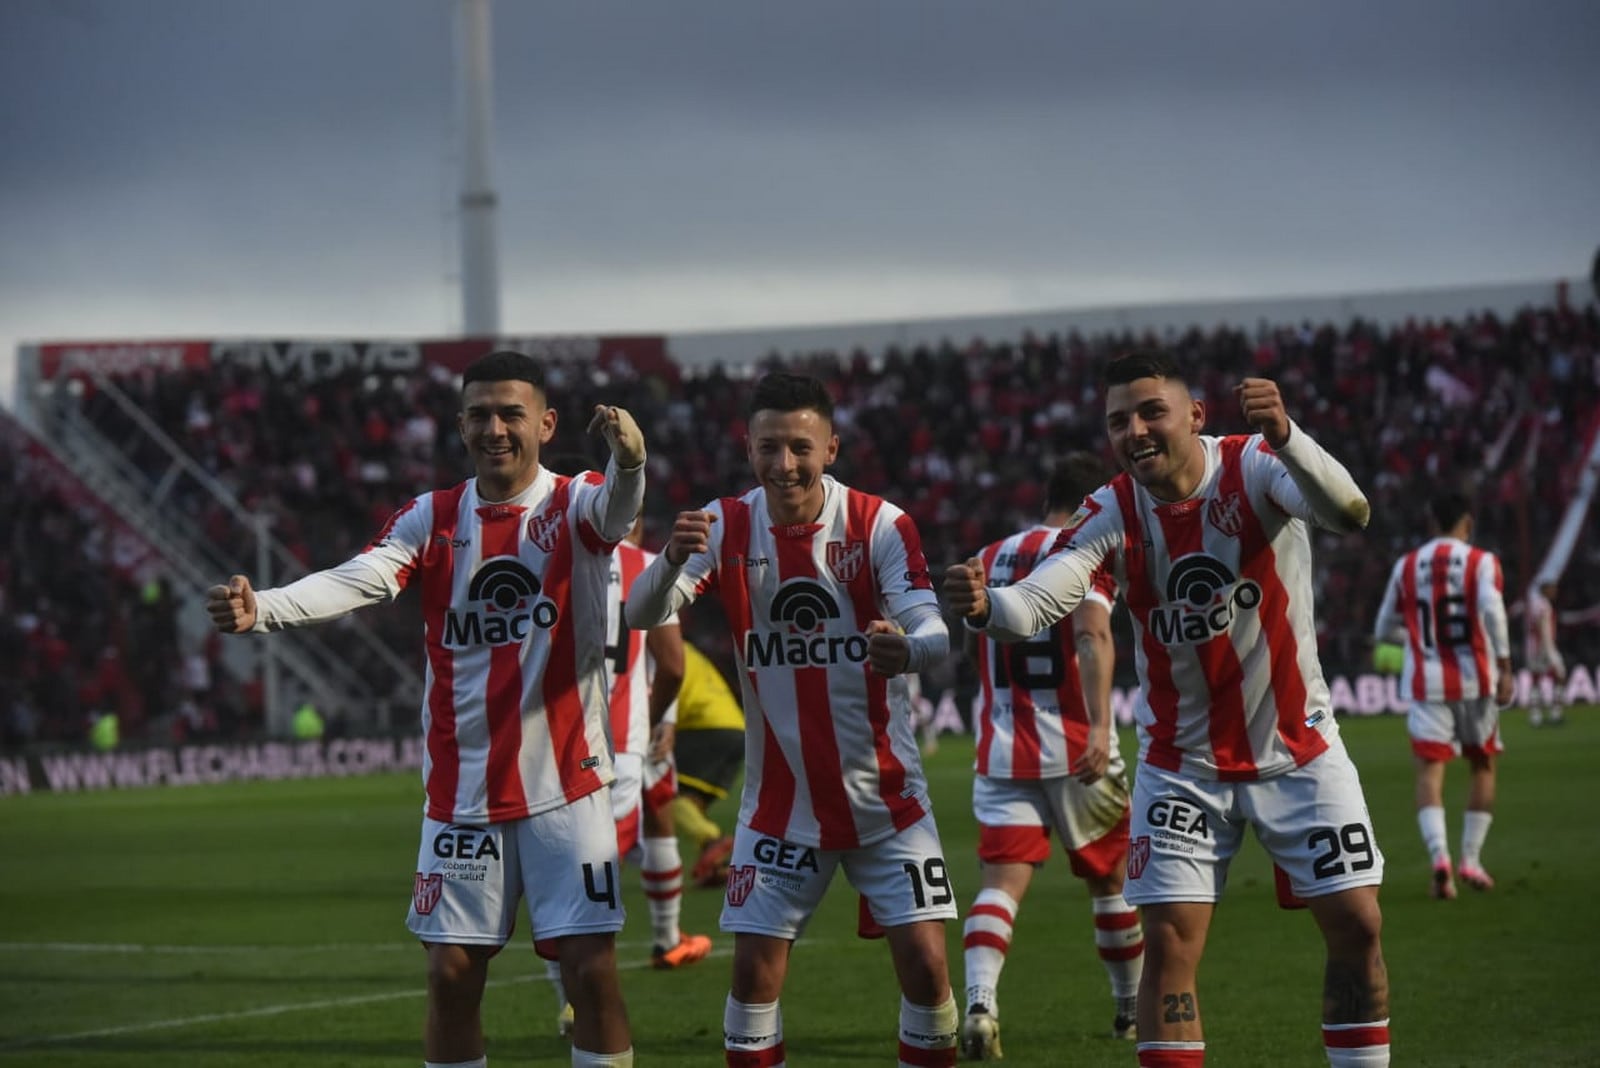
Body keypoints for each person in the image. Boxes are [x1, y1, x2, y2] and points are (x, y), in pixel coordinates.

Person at [945, 350, 1391, 1068]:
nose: (1136, 430)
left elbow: (1349, 511)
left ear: (1195, 415)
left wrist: (1287, 434)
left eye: (1152, 411)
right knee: (1171, 946)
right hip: (1182, 767)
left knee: (1358, 924)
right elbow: (1040, 601)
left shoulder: (1255, 466)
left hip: (1298, 746)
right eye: (1119, 420)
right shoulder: (1110, 508)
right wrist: (984, 606)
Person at [205, 350, 644, 1068]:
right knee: (450, 976)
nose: (494, 428)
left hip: (567, 786)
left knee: (591, 972)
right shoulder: (433, 518)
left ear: (545, 422)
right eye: (479, 414)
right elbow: (359, 579)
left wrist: (630, 463)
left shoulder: (576, 501)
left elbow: (619, 510)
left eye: (510, 413)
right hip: (463, 794)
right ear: (460, 424)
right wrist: (267, 609)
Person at [626, 371, 961, 1067]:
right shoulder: (723, 526)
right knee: (752, 976)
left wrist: (908, 649)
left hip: (887, 801)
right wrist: (666, 562)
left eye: (800, 447)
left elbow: (934, 630)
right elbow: (641, 614)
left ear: (831, 448)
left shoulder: (881, 524)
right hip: (780, 807)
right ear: (748, 449)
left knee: (928, 967)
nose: (785, 465)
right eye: (769, 448)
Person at [957, 452, 1145, 1060]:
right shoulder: (1085, 550)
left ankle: (981, 1004)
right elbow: (1091, 634)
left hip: (1003, 748)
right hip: (1074, 748)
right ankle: (1127, 1010)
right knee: (1112, 882)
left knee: (999, 888)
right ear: (1095, 501)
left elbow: (974, 644)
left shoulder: (986, 558)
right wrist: (1097, 728)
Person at [550, 517, 714, 1037]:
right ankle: (589, 995)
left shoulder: (554, 563)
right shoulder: (646, 565)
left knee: (563, 873)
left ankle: (575, 994)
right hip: (624, 740)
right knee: (595, 878)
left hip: (555, 744)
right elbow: (672, 665)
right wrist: (656, 714)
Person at [1373, 493, 1513, 899]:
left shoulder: (1407, 565)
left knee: (1429, 773)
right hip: (1477, 680)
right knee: (1482, 766)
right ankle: (1471, 858)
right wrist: (1504, 663)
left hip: (1427, 683)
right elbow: (1491, 607)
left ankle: (1440, 860)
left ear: (1431, 521)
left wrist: (1416, 637)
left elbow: (1384, 630)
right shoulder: (1481, 562)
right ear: (1467, 523)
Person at [667, 641, 748, 888]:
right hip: (734, 726)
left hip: (705, 726)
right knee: (690, 802)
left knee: (661, 796)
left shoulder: (657, 648)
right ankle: (720, 866)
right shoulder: (682, 646)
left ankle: (711, 840)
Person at [1524, 579, 1567, 727]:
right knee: (1560, 675)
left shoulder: (1534, 604)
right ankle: (1555, 713)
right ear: (1545, 590)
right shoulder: (1544, 605)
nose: (1555, 591)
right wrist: (1549, 651)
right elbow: (1542, 628)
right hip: (1543, 647)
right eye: (1552, 589)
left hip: (1532, 647)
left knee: (1536, 679)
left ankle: (1535, 716)